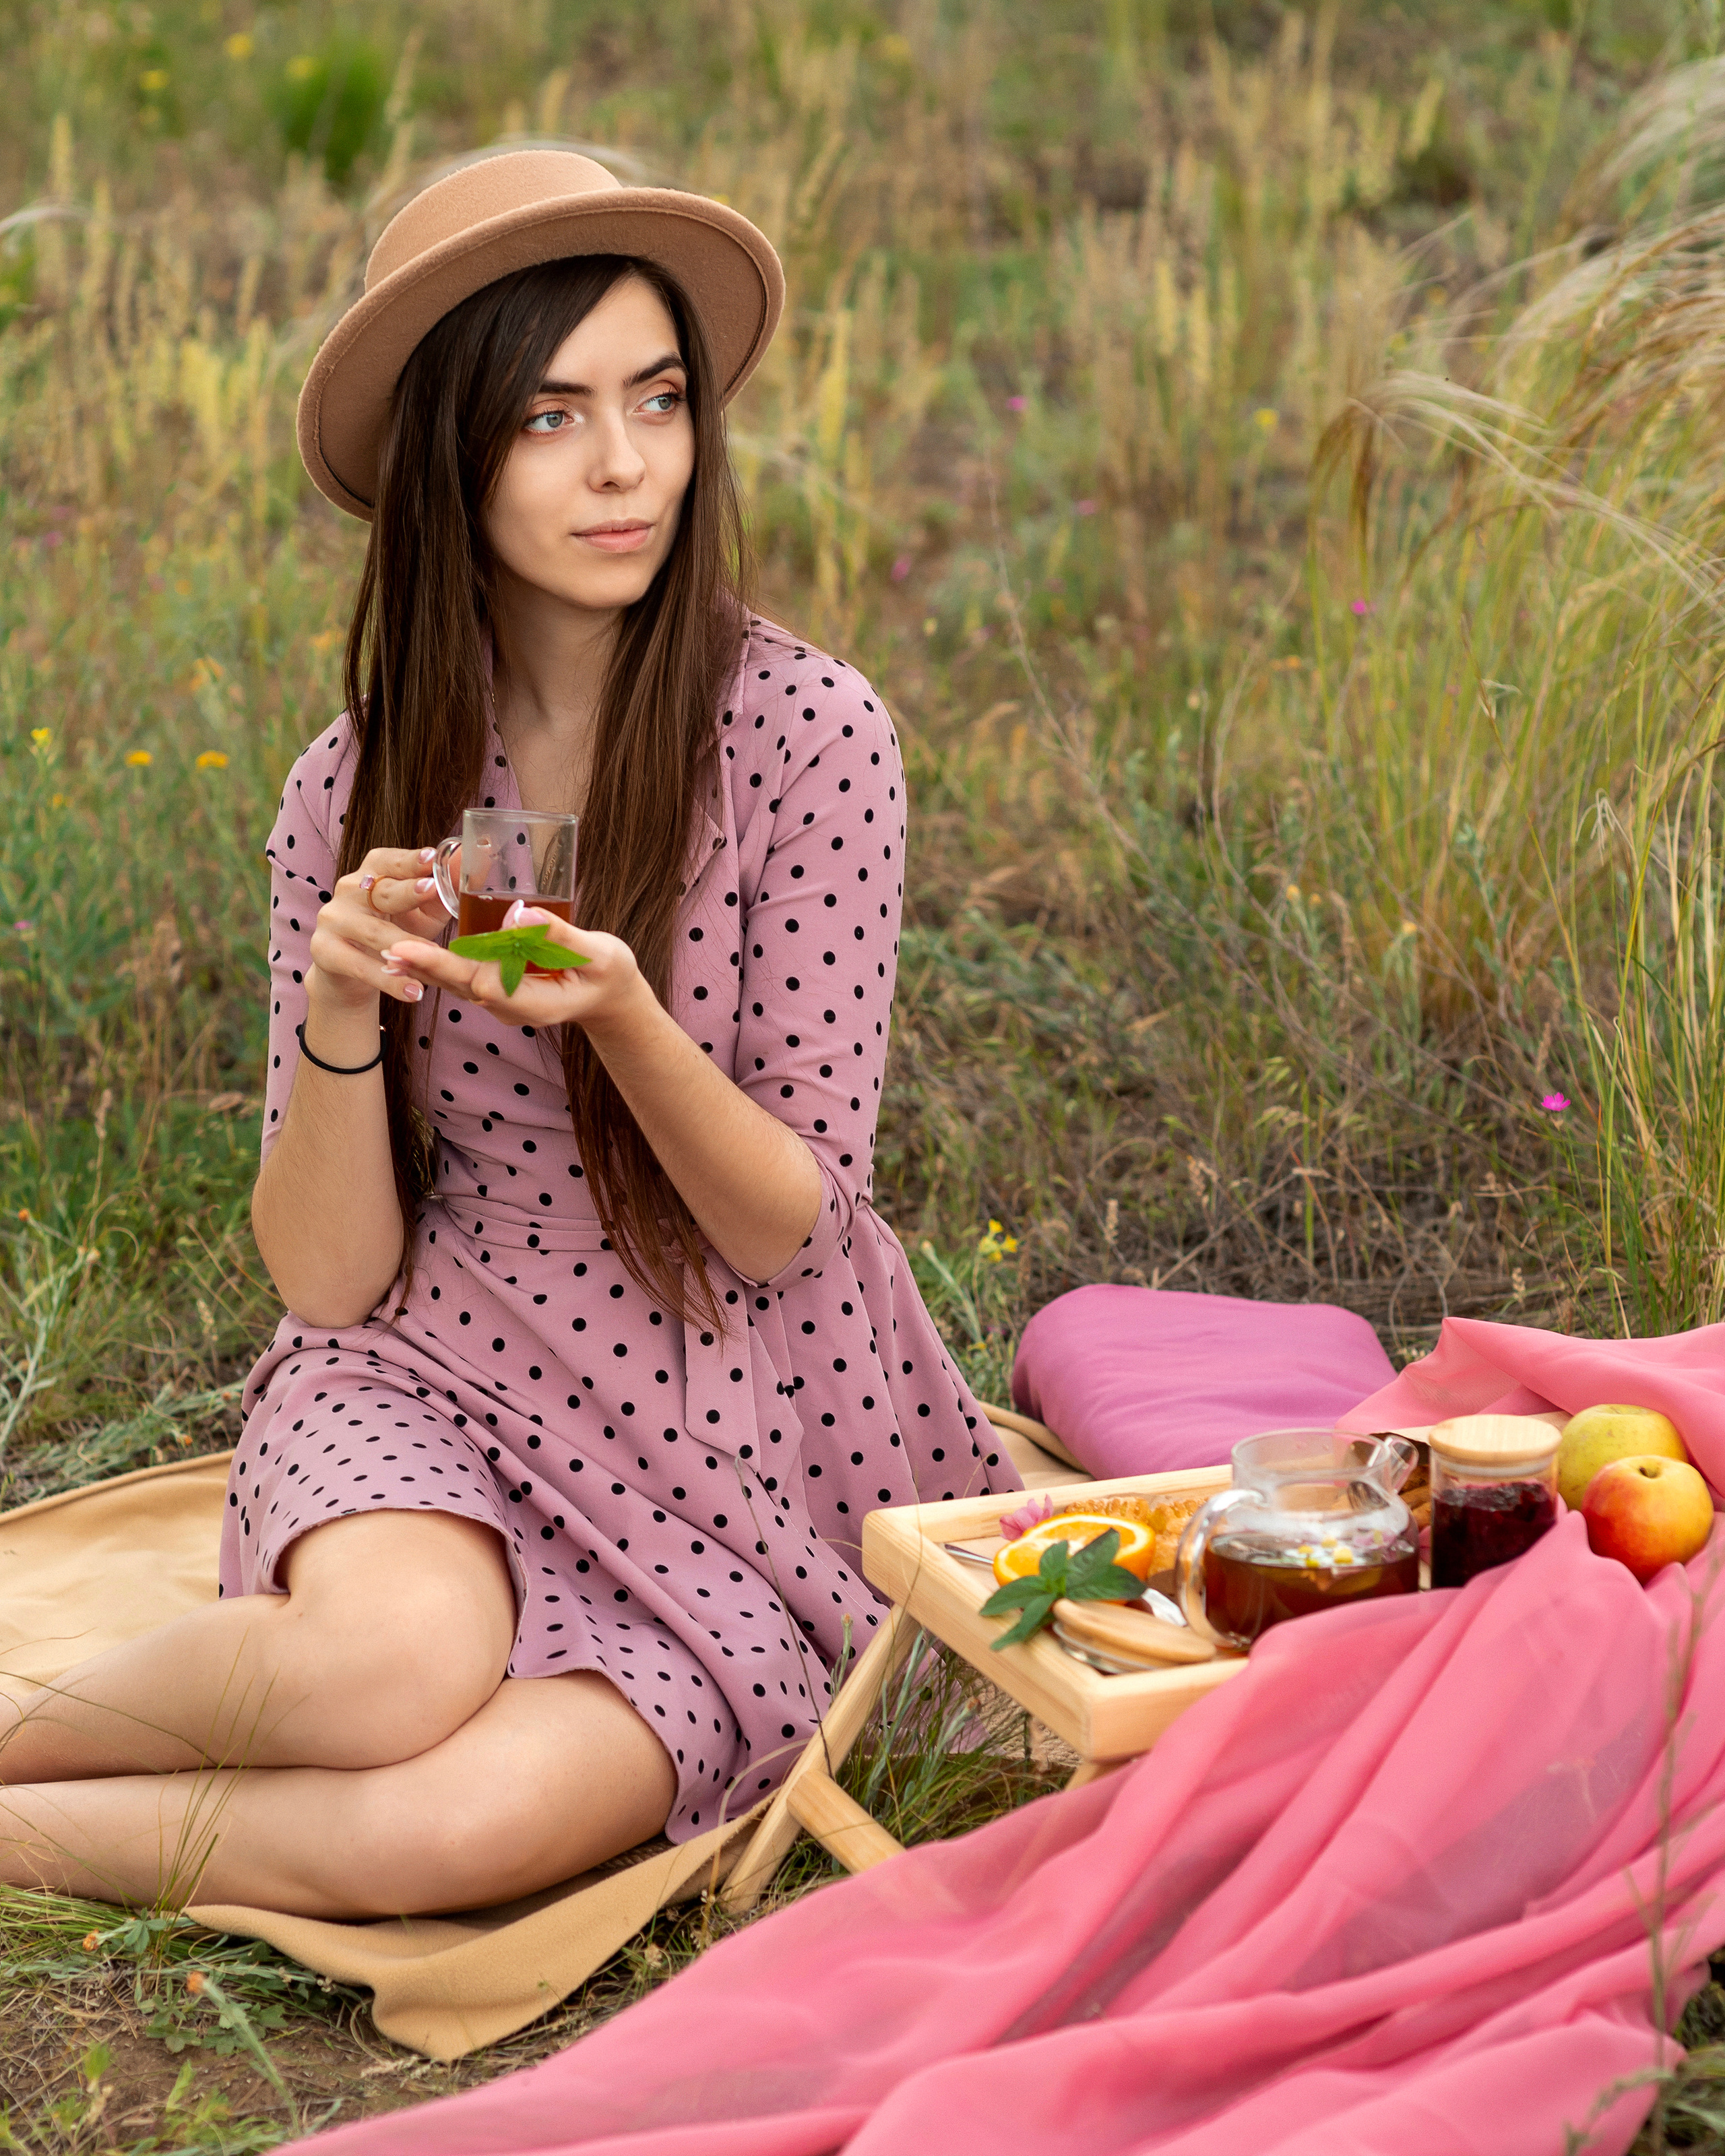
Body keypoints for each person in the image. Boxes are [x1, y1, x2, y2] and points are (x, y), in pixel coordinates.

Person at [0, 152, 1017, 1918]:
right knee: (378, 1675)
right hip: (433, 1364)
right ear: (446, 459)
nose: (626, 466)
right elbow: (330, 1281)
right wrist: (340, 1010)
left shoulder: (806, 736)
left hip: (727, 1406)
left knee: (450, 1835)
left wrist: (624, 1019)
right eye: (551, 416)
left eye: (658, 400)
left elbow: (791, 1226)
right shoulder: (355, 787)